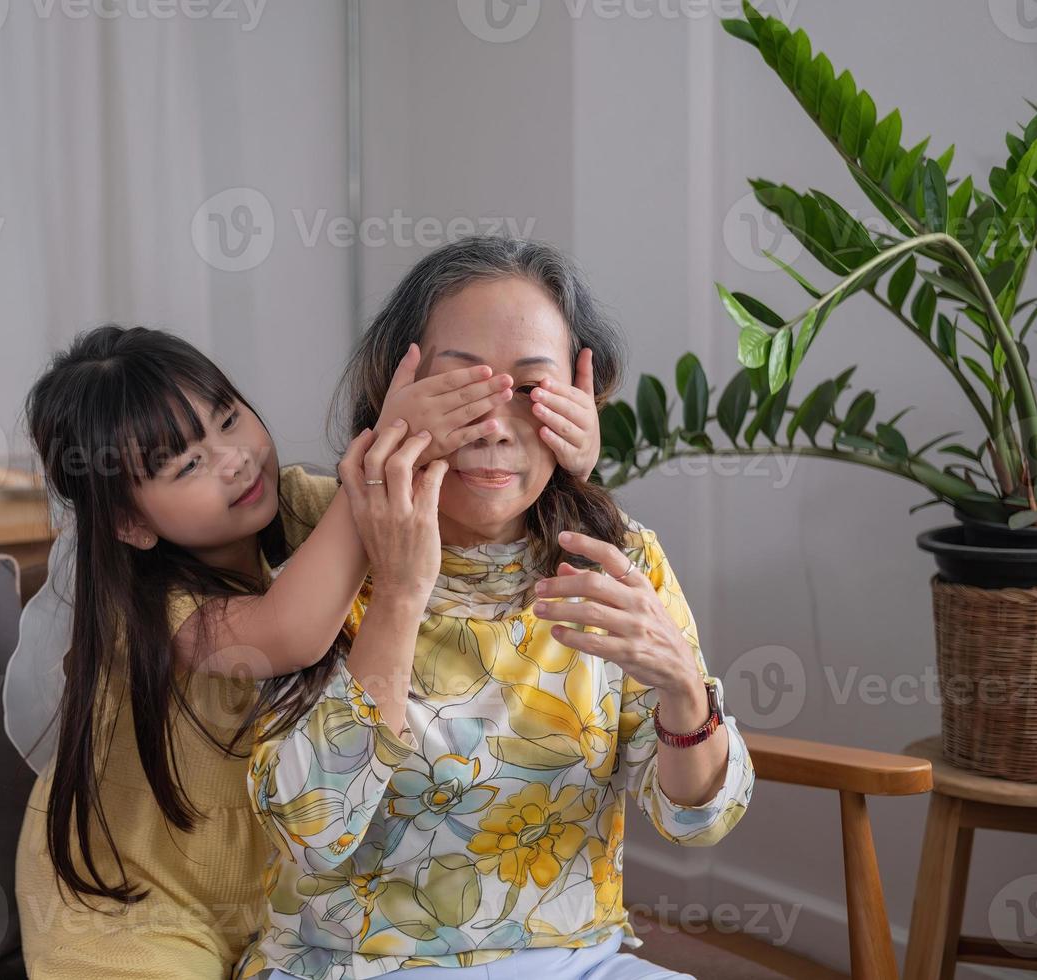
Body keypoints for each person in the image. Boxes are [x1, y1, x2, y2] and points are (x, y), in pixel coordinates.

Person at [9, 322, 603, 979]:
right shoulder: (148, 611)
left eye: (229, 419)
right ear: (130, 523)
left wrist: (560, 456)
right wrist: (382, 448)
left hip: (265, 900)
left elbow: (455, 524)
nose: (233, 459)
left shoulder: (301, 506)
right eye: (186, 465)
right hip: (128, 906)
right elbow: (289, 632)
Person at [237, 237, 755, 980]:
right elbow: (311, 831)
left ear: (583, 401)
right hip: (352, 966)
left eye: (529, 388)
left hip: (578, 963)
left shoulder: (617, 558)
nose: (495, 424)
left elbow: (697, 819)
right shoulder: (324, 566)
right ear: (394, 388)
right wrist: (403, 593)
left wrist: (681, 687)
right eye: (462, 389)